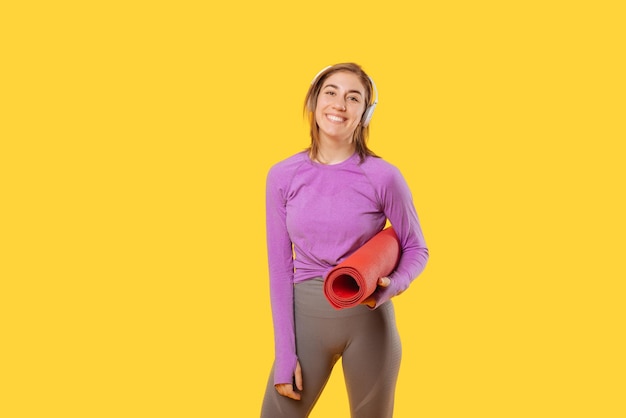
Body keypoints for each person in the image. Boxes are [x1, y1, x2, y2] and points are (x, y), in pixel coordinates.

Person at [260, 62, 429, 418]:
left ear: (365, 114)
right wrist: (285, 354)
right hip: (305, 319)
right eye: (331, 93)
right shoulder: (282, 175)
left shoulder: (384, 176)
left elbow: (416, 247)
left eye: (353, 98)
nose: (339, 104)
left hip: (370, 322)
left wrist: (393, 284)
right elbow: (279, 268)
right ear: (313, 101)